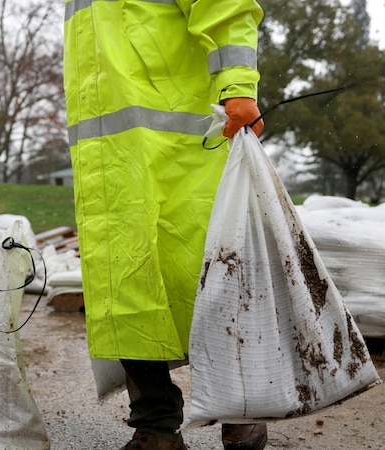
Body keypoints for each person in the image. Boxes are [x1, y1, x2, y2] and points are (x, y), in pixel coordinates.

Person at [62, 2, 267, 450]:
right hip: (109, 165)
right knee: (128, 293)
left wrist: (238, 86)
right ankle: (155, 425)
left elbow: (226, 7)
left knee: (203, 277)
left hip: (180, 153)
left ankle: (240, 408)